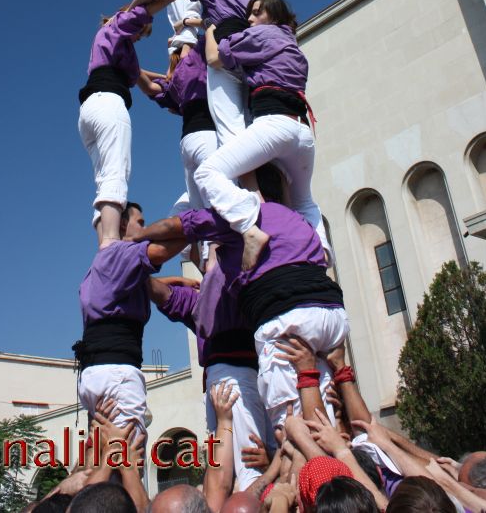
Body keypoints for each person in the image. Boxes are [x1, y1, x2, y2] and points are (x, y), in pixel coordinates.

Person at [133, 197, 348, 431]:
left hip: (265, 371)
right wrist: (174, 277)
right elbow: (153, 289)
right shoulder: (201, 299)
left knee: (291, 436)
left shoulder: (250, 277)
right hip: (235, 383)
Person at [198, 0, 327, 269]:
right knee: (304, 200)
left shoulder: (262, 36)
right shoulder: (292, 44)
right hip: (302, 131)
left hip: (274, 125)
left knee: (207, 172)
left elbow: (213, 56)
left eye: (257, 13)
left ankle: (249, 227)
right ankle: (323, 250)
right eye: (250, 14)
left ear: (274, 15)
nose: (250, 19)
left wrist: (210, 30)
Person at [150, 258, 271, 491]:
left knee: (241, 471)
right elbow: (145, 286)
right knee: (241, 472)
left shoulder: (237, 283)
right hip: (232, 383)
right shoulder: (201, 299)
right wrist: (178, 280)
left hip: (238, 381)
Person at [73, 203, 185, 441]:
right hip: (118, 374)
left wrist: (175, 281)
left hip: (95, 373)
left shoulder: (102, 264)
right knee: (128, 462)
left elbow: (142, 282)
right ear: (122, 223)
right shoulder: (120, 253)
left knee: (103, 462)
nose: (145, 227)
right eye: (140, 222)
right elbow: (160, 252)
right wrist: (198, 228)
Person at [128, 0, 252, 145]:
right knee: (248, 118)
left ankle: (240, 169)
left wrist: (126, 16)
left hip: (225, 48)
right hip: (250, 50)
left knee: (230, 124)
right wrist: (188, 23)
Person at [78, 4, 158, 246]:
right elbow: (139, 13)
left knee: (103, 179)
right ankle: (111, 242)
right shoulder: (116, 27)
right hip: (109, 104)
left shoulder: (115, 45)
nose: (138, 36)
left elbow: (145, 81)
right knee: (116, 172)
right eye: (140, 31)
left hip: (89, 111)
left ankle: (103, 241)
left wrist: (169, 77)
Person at [138, 37, 218, 240]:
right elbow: (193, 44)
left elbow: (146, 85)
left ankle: (209, 259)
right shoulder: (198, 67)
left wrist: (167, 76)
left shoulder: (176, 85)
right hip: (207, 136)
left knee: (201, 212)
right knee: (215, 203)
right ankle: (215, 256)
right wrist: (185, 31)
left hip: (186, 144)